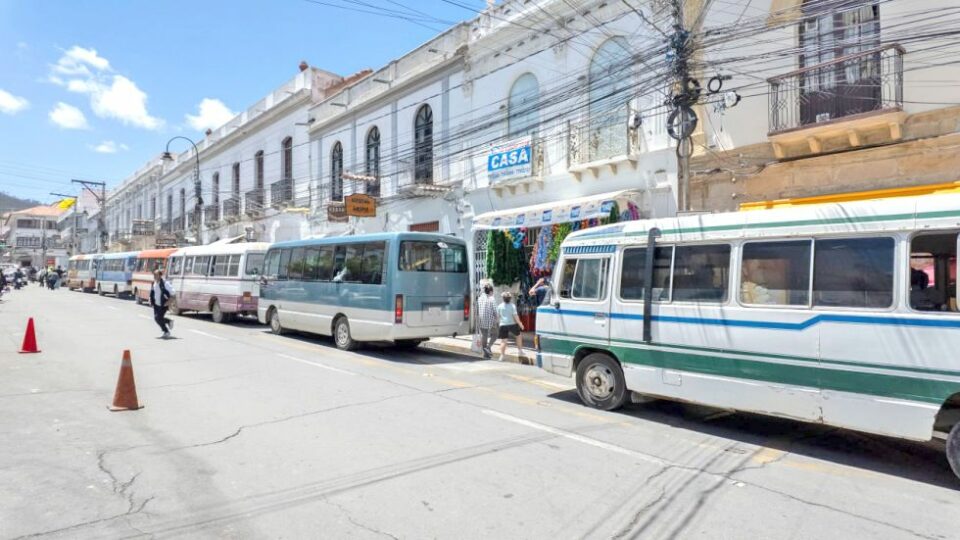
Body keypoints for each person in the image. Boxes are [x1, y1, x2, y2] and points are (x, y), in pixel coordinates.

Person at [496, 291, 525, 362]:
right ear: (510, 299)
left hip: (503, 325)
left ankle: (502, 356)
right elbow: (515, 316)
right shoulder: (512, 306)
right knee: (518, 336)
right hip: (512, 324)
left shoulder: (499, 306)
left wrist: (499, 323)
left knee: (503, 341)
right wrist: (520, 324)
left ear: (503, 298)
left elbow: (498, 317)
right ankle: (520, 351)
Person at [149, 269, 176, 338]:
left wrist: (169, 301)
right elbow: (152, 293)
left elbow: (173, 292)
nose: (154, 276)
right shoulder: (154, 283)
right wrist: (150, 300)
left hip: (163, 304)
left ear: (160, 275)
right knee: (157, 319)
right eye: (154, 275)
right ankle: (167, 326)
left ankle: (167, 329)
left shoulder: (165, 283)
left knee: (158, 318)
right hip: (156, 304)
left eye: (156, 275)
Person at [476, 284, 498, 359]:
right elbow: (495, 311)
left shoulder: (479, 298)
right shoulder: (492, 299)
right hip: (491, 321)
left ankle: (485, 353)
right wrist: (498, 320)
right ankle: (488, 347)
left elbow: (477, 309)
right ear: (491, 291)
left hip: (481, 320)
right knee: (495, 334)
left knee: (484, 336)